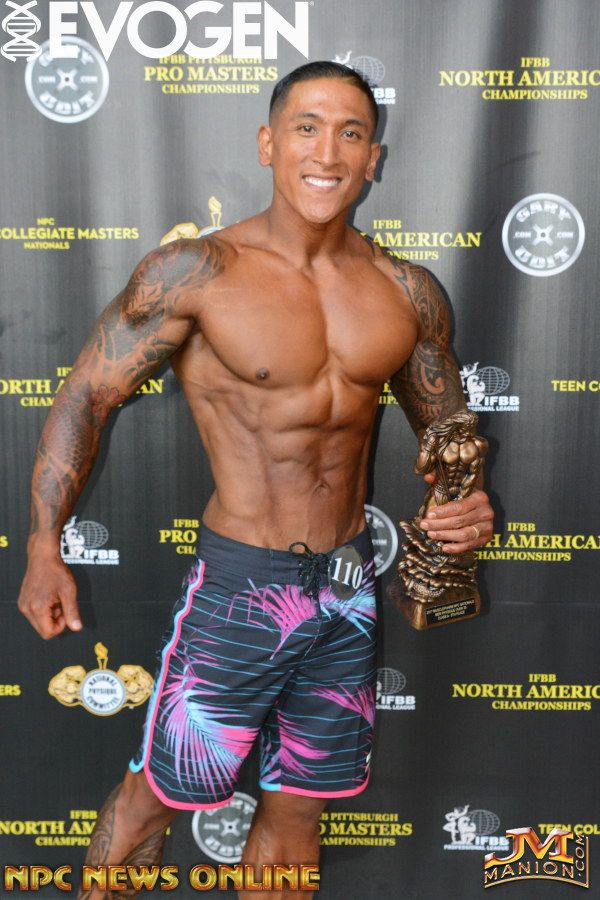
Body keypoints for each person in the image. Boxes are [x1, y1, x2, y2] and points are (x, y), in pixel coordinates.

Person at [17, 61, 494, 898]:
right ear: (269, 143)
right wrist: (43, 543)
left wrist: (464, 506)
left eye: (350, 133)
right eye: (307, 128)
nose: (327, 152)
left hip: (347, 588)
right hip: (240, 587)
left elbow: (449, 437)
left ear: (374, 158)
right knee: (153, 804)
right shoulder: (197, 272)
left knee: (298, 815)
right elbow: (86, 396)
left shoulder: (407, 292)